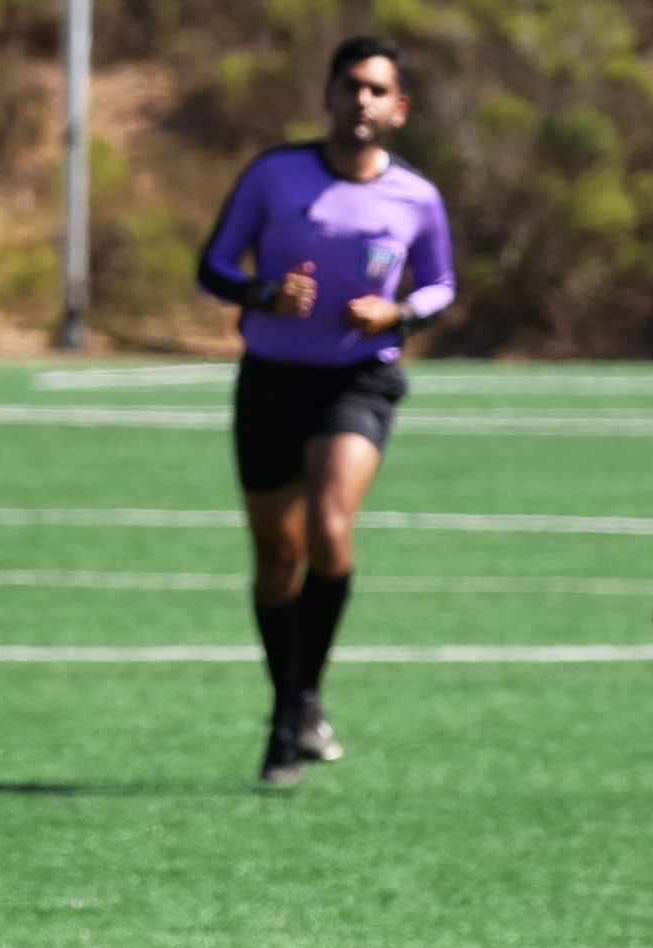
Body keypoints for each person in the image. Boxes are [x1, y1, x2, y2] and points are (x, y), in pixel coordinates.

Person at [197, 36, 454, 783]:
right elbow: (212, 263)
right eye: (350, 87)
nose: (361, 101)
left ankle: (303, 694)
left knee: (327, 528)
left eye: (377, 90)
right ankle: (287, 713)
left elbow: (441, 285)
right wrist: (260, 294)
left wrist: (397, 312)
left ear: (398, 108)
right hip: (271, 379)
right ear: (328, 97)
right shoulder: (274, 175)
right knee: (276, 559)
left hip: (356, 379)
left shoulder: (415, 196)